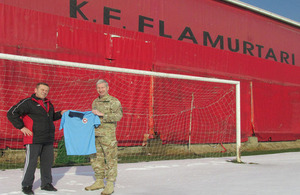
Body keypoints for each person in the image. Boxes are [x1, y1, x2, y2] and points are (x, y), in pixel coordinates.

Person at [7, 82, 66, 195]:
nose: (44, 92)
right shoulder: (28, 103)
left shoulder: (49, 103)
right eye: (42, 89)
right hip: (33, 138)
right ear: (35, 90)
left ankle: (46, 184)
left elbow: (51, 117)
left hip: (48, 139)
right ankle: (27, 185)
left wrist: (61, 113)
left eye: (46, 90)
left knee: (47, 163)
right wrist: (21, 127)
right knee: (31, 163)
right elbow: (12, 113)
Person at [85, 79, 123, 195]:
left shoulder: (114, 101)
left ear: (107, 88)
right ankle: (99, 181)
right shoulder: (95, 101)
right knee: (96, 159)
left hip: (108, 136)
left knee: (110, 159)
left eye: (102, 87)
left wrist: (103, 115)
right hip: (96, 135)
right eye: (98, 88)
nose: (100, 90)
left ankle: (110, 184)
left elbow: (119, 116)